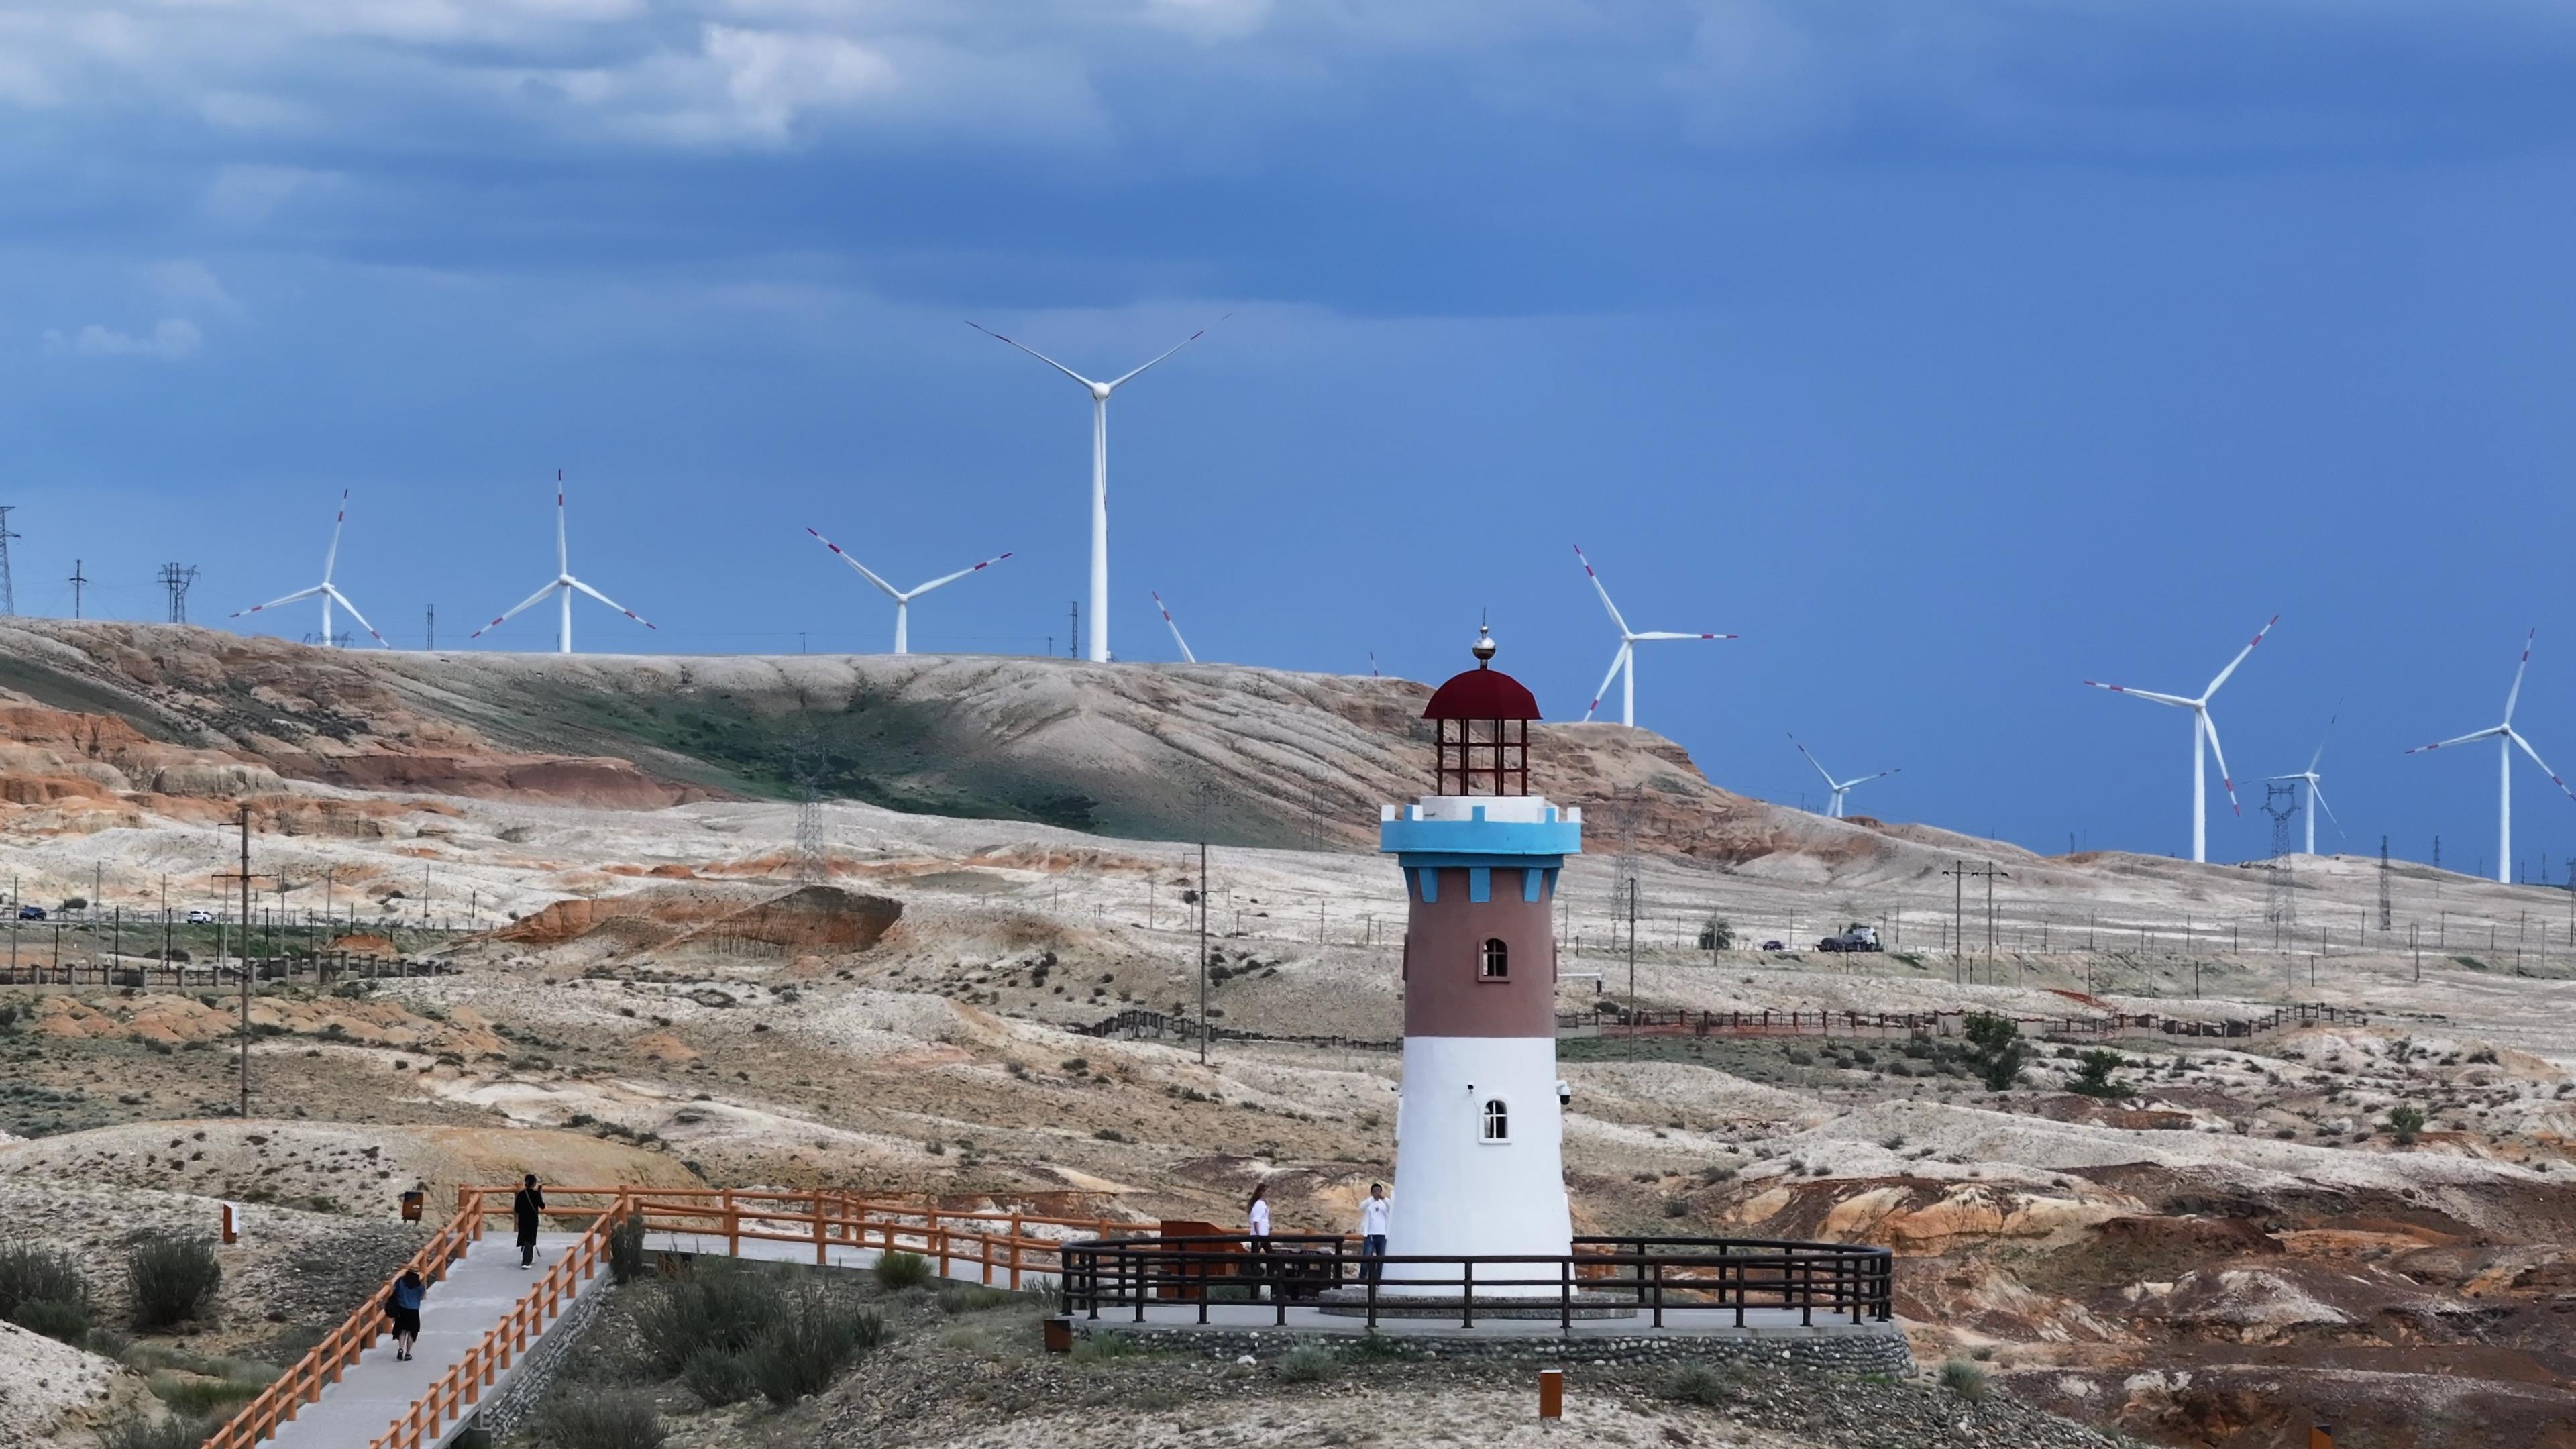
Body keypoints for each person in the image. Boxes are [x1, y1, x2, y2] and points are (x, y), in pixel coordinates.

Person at [385, 1269, 425, 1361]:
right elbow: (423, 1296)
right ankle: (408, 1354)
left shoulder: (401, 1281)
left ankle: (401, 1349)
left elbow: (395, 1290)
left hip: (402, 1309)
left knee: (402, 1330)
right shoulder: (419, 1285)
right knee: (412, 1333)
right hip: (414, 1311)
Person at [1358, 1182, 1391, 1286]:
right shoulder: (1369, 1204)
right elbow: (1361, 1207)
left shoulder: (1384, 1203)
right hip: (1370, 1236)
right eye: (1374, 1191)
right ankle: (1361, 1280)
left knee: (1381, 1260)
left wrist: (1382, 1198)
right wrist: (1372, 1198)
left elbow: (1391, 1207)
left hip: (1382, 1236)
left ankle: (1378, 1282)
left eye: (1378, 1190)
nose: (1377, 1192)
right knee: (1366, 1258)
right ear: (1371, 1192)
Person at [1245, 1182, 1272, 1299]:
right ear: (1262, 1192)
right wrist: (1259, 1235)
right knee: (1257, 1260)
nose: (1268, 1194)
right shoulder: (1260, 1204)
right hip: (1260, 1236)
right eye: (1267, 1192)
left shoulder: (1261, 1204)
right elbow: (1256, 1221)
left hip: (1263, 1235)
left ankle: (1264, 1282)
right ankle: (1256, 1286)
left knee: (1266, 1257)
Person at [512, 1174, 545, 1268]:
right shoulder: (536, 1194)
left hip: (523, 1220)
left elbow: (517, 1209)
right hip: (533, 1220)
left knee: (525, 1238)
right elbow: (542, 1206)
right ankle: (526, 1262)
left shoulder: (521, 1194)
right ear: (534, 1184)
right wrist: (540, 1195)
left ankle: (530, 1258)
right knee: (530, 1239)